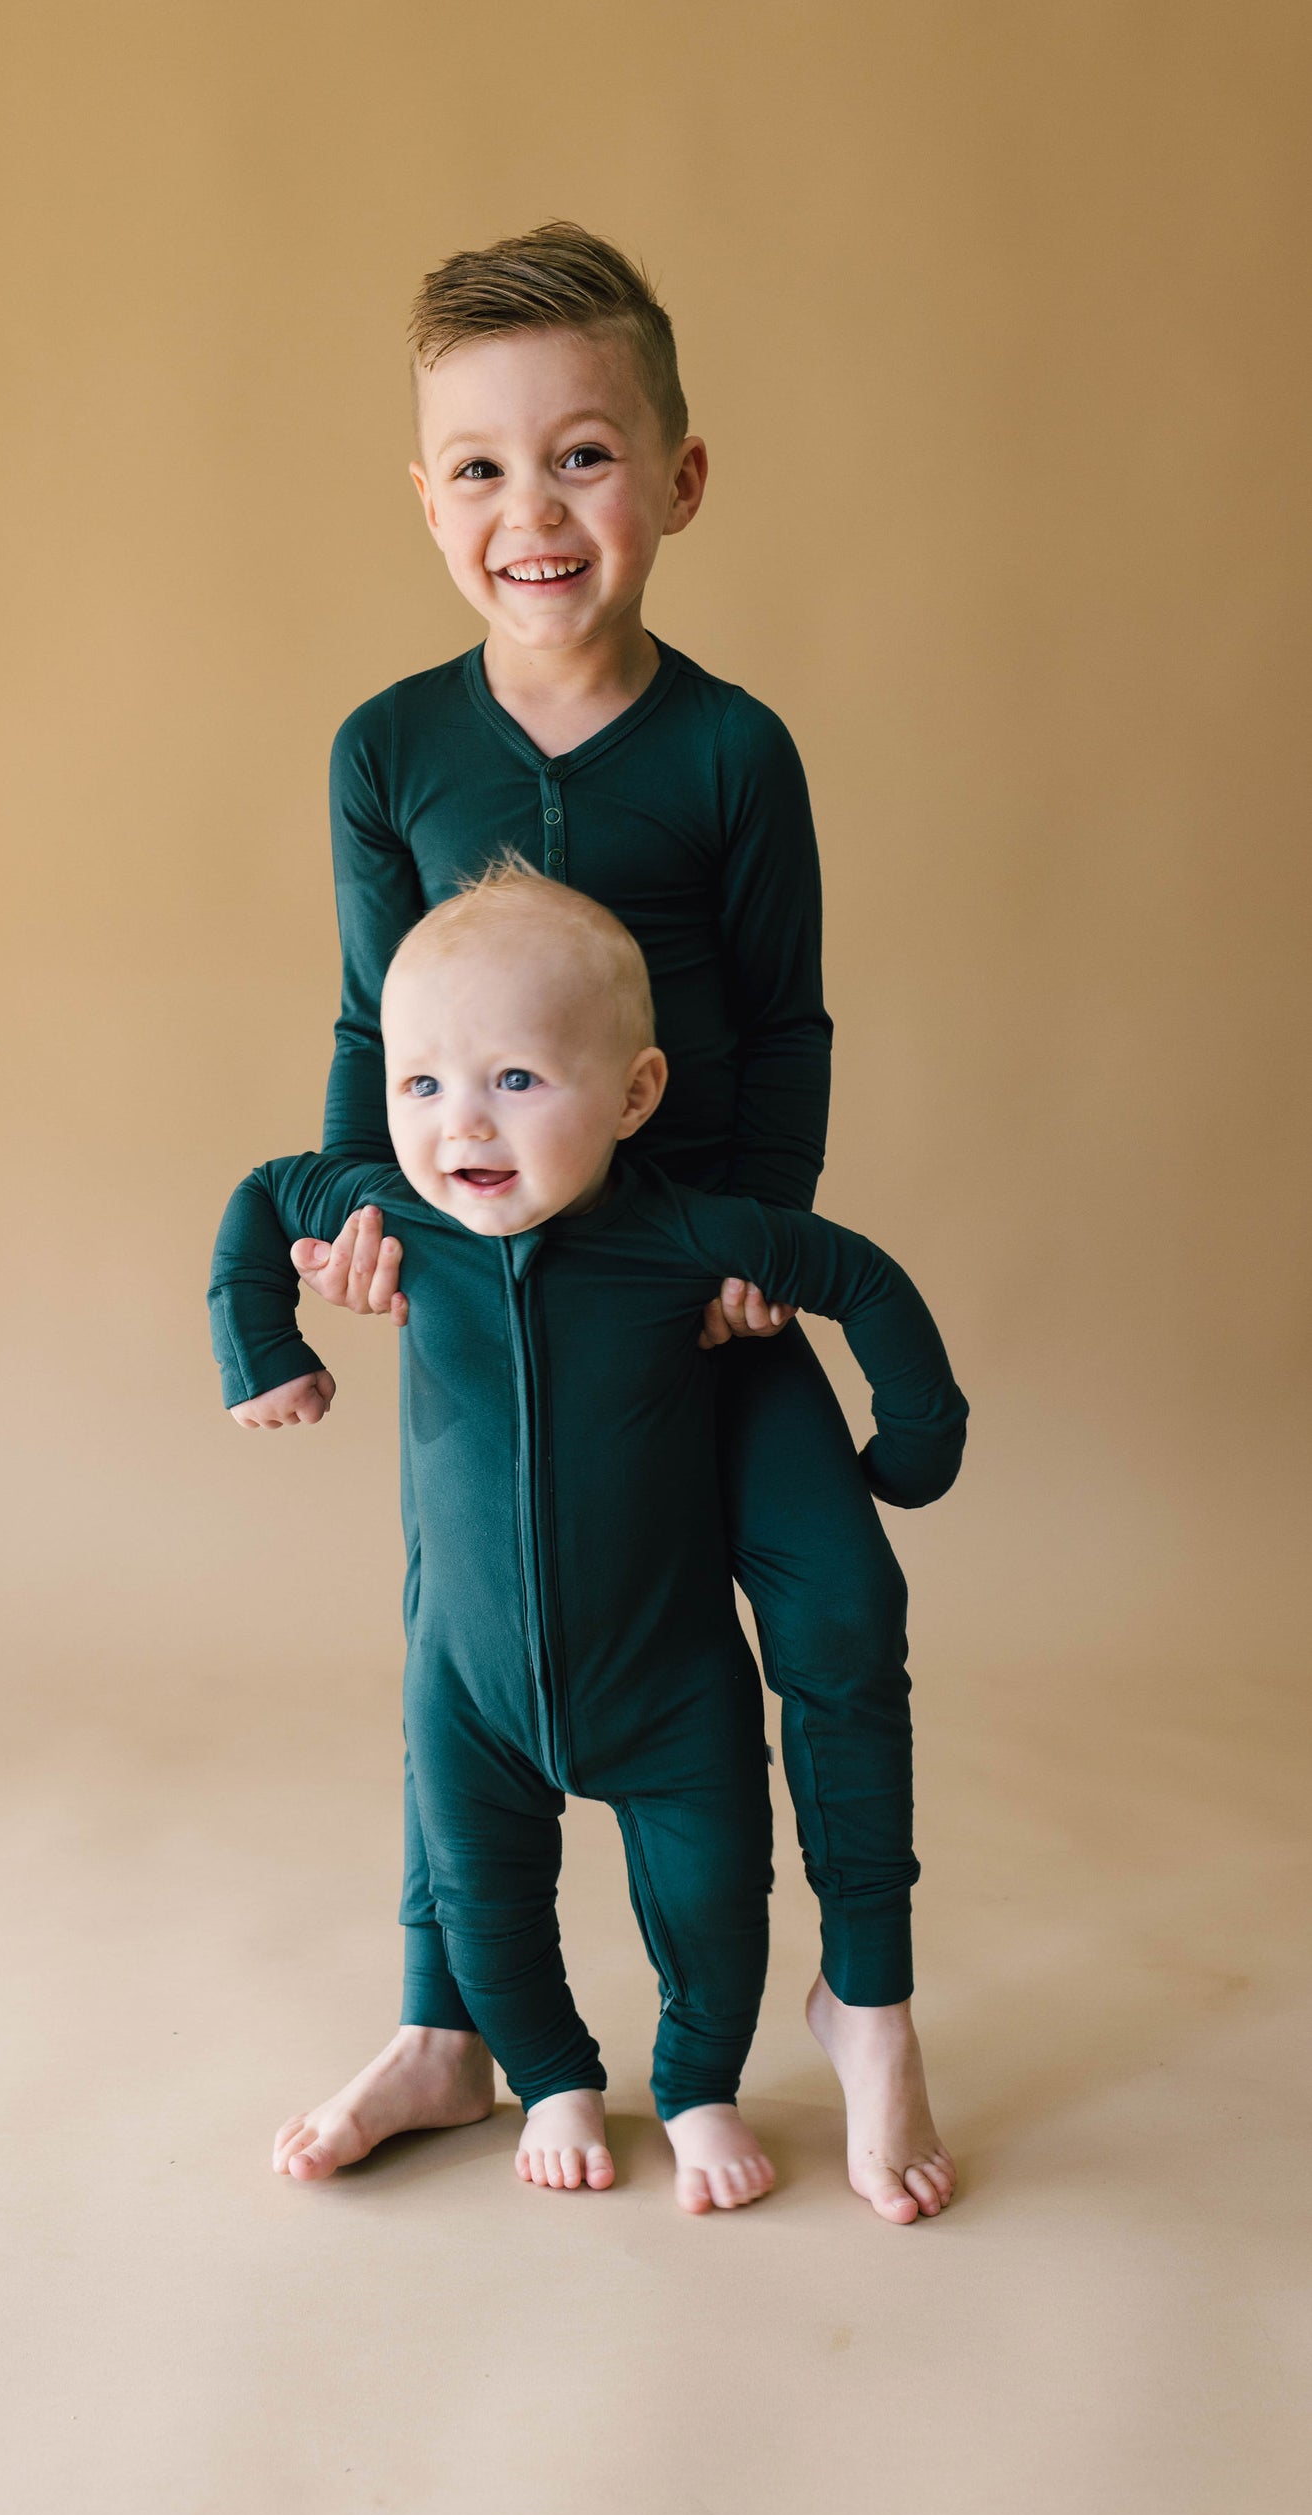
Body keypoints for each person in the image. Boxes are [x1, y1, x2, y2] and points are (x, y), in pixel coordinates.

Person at [280, 219, 960, 2223]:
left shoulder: (735, 753)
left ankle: (868, 1993)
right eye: (478, 468)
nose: (531, 511)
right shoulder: (389, 752)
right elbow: (363, 1023)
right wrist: (347, 1209)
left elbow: (787, 1016)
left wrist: (767, 1242)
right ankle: (446, 2015)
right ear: (428, 499)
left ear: (675, 480)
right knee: (459, 1634)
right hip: (502, 1314)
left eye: (581, 455)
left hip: (705, 1301)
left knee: (840, 1605)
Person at [212, 865, 967, 2212]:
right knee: (481, 1895)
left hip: (667, 1678)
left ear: (632, 1096)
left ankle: (695, 2086)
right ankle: (544, 2072)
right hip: (470, 1686)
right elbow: (267, 1193)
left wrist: (919, 1435)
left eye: (515, 1080)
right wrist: (261, 1342)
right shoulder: (404, 1221)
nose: (462, 1125)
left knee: (712, 1897)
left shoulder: (683, 1238)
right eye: (424, 1085)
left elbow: (858, 1275)